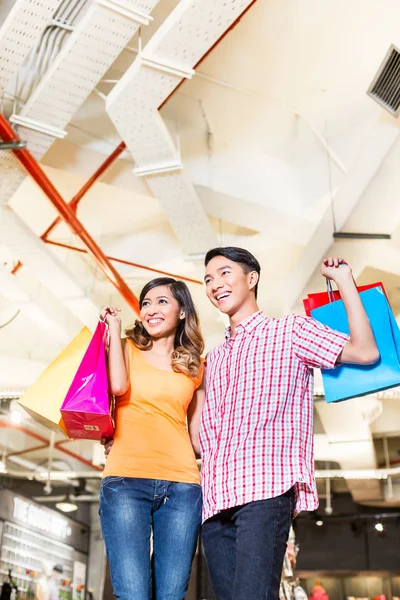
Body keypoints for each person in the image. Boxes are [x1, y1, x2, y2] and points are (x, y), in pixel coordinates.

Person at [200, 247, 379, 600]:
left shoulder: (289, 331)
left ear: (251, 279)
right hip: (215, 500)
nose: (215, 284)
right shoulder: (214, 358)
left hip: (265, 490)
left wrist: (344, 282)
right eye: (208, 279)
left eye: (224, 273)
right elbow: (205, 433)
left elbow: (365, 351)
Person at [99, 277, 205, 600]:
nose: (151, 309)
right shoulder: (125, 347)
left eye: (162, 302)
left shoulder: (196, 367)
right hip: (125, 483)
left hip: (182, 487)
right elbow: (117, 387)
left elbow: (197, 438)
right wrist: (114, 327)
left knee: (172, 594)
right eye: (146, 303)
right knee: (132, 593)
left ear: (183, 311)